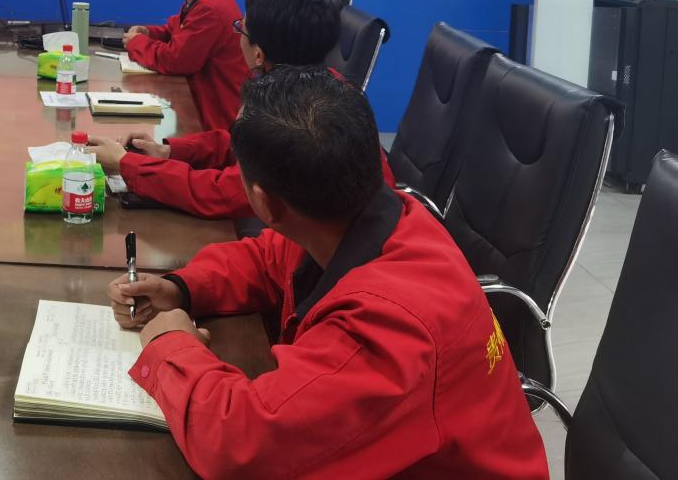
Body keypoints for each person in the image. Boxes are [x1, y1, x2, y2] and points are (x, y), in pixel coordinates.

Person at [108, 67, 548, 479]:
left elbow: (238, 442)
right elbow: (266, 259)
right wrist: (181, 288)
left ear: (263, 202)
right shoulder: (366, 218)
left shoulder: (387, 330)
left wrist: (169, 344)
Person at [91, 0, 392, 218]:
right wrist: (168, 151)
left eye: (241, 30)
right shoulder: (321, 85)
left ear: (258, 54)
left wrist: (127, 164)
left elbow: (222, 194)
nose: (237, 36)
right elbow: (240, 140)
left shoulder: (299, 119)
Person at [123, 0, 248, 130]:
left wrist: (136, 43)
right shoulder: (206, 0)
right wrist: (148, 33)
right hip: (203, 106)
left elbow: (176, 60)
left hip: (218, 120)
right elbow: (177, 31)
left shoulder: (210, 9)